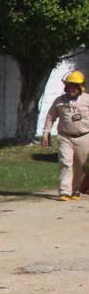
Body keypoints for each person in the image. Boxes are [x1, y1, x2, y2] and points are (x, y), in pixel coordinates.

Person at [41, 70, 89, 201]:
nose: (71, 89)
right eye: (69, 86)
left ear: (80, 87)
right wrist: (46, 133)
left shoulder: (87, 100)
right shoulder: (59, 101)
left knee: (80, 165)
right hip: (65, 137)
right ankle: (64, 191)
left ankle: (76, 190)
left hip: (84, 136)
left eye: (74, 86)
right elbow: (50, 117)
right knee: (65, 162)